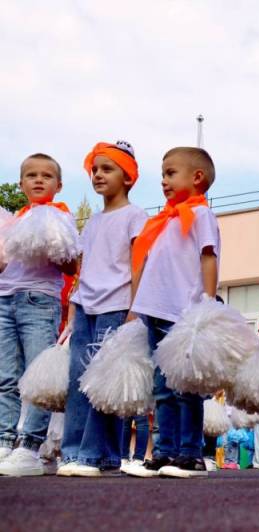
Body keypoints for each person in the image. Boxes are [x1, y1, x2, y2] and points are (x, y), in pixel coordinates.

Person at [124, 147, 220, 479]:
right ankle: (164, 451)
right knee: (162, 388)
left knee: (185, 387)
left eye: (170, 173)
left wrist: (207, 301)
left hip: (182, 312)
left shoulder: (201, 215)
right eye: (163, 174)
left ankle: (191, 453)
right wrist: (137, 309)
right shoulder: (164, 220)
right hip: (155, 312)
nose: (163, 180)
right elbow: (148, 266)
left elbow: (209, 256)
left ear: (197, 178)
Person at [56, 141, 148, 478]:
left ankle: (90, 455)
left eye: (107, 169)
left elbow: (139, 265)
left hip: (117, 305)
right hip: (85, 306)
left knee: (103, 382)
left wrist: (136, 309)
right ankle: (77, 453)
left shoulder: (136, 216)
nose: (98, 175)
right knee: (78, 380)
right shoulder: (92, 222)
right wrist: (71, 306)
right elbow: (83, 268)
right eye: (95, 169)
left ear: (128, 177)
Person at [0, 154, 78, 477]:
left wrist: (50, 246)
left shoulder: (61, 217)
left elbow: (72, 266)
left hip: (39, 301)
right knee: (6, 377)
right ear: (20, 184)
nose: (38, 180)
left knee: (37, 378)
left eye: (46, 176)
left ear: (58, 185)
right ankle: (5, 439)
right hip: (5, 299)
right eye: (31, 175)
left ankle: (30, 446)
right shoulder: (14, 219)